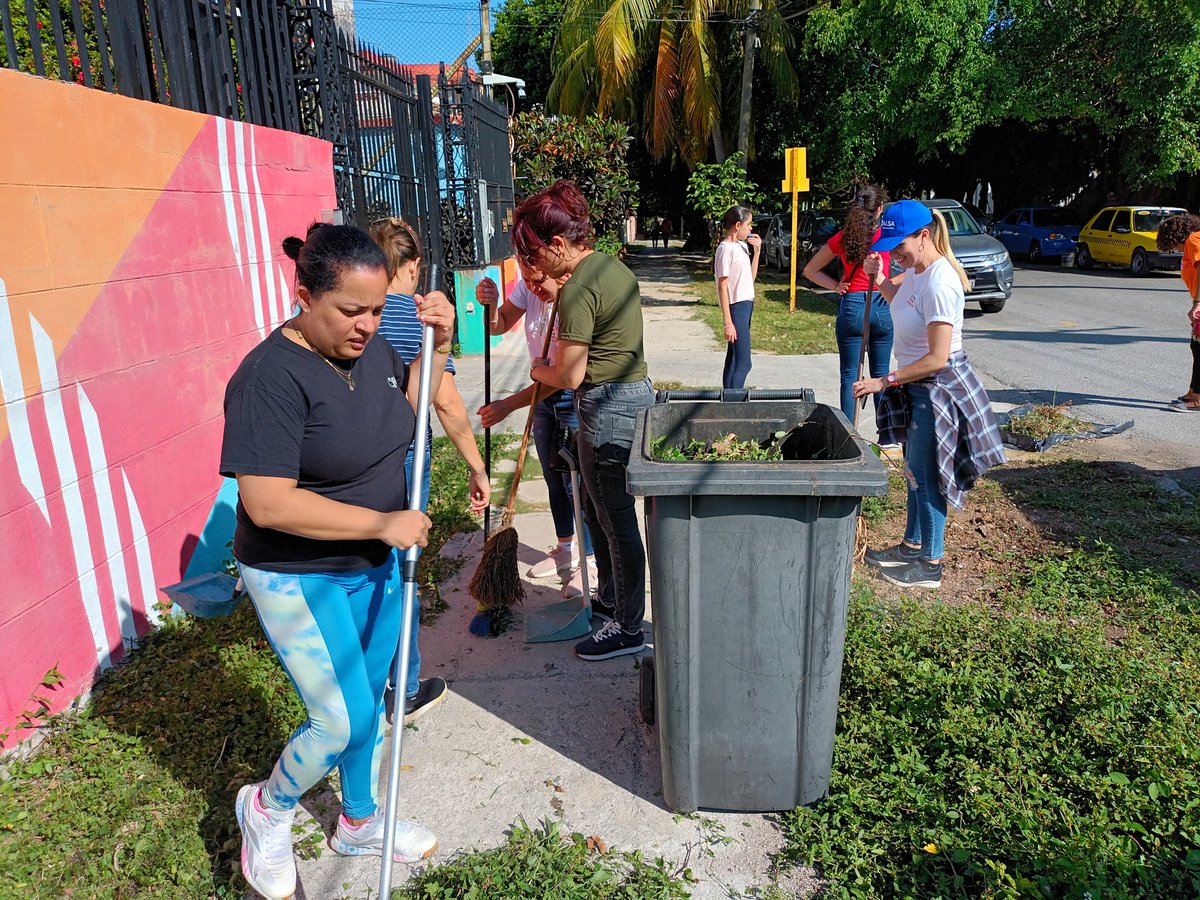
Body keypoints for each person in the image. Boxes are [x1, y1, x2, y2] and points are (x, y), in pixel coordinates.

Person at [221, 223, 454, 898]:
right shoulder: (269, 377)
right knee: (339, 719)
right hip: (299, 574)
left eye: (378, 309)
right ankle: (265, 808)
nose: (367, 324)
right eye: (350, 310)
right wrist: (382, 520)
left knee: (372, 707)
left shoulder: (374, 352)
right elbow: (267, 504)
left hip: (376, 566)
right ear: (303, 295)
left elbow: (403, 415)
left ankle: (358, 820)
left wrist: (438, 346)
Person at [516, 180, 654, 661]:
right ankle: (614, 600)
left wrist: (536, 368)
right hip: (633, 396)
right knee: (600, 514)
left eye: (535, 253)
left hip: (606, 406)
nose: (535, 266)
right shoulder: (612, 267)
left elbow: (569, 374)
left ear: (557, 245)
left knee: (614, 522)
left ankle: (629, 627)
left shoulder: (578, 288)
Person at [369, 217, 490, 722]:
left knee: (365, 569)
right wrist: (477, 467)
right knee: (403, 572)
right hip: (403, 458)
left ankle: (368, 683)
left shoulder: (359, 316)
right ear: (414, 266)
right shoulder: (418, 319)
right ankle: (405, 685)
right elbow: (445, 403)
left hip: (357, 462)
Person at [852, 200, 1006, 590]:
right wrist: (881, 277)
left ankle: (930, 565)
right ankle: (912, 545)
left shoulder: (939, 281)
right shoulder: (916, 271)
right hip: (916, 387)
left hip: (937, 388)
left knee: (928, 475)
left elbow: (937, 358)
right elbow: (901, 305)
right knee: (913, 472)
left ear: (924, 235)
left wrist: (884, 381)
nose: (894, 253)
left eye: (898, 245)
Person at [474, 261, 598, 597]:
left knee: (577, 483)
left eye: (539, 280)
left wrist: (508, 404)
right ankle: (566, 549)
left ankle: (590, 560)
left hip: (569, 395)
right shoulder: (529, 286)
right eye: (527, 280)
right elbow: (497, 326)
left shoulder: (572, 301)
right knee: (552, 477)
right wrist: (490, 305)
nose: (534, 288)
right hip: (542, 396)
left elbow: (559, 376)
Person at [803, 184, 894, 421]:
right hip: (882, 303)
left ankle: (848, 436)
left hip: (853, 303)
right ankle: (886, 433)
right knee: (881, 373)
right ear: (879, 209)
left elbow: (810, 270)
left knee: (850, 375)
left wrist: (835, 286)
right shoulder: (886, 236)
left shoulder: (844, 238)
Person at [1155, 213, 1200, 411]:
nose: (1175, 250)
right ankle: (1193, 391)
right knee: (1196, 347)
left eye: (1174, 246)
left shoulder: (1193, 240)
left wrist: (1197, 303)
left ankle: (1197, 399)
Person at [714, 205, 762, 389]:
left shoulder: (741, 247)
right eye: (749, 224)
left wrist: (757, 252)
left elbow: (749, 279)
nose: (751, 229)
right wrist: (728, 322)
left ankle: (728, 403)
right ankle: (735, 405)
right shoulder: (725, 249)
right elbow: (722, 286)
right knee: (744, 362)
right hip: (736, 308)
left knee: (734, 360)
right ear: (737, 225)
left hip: (746, 305)